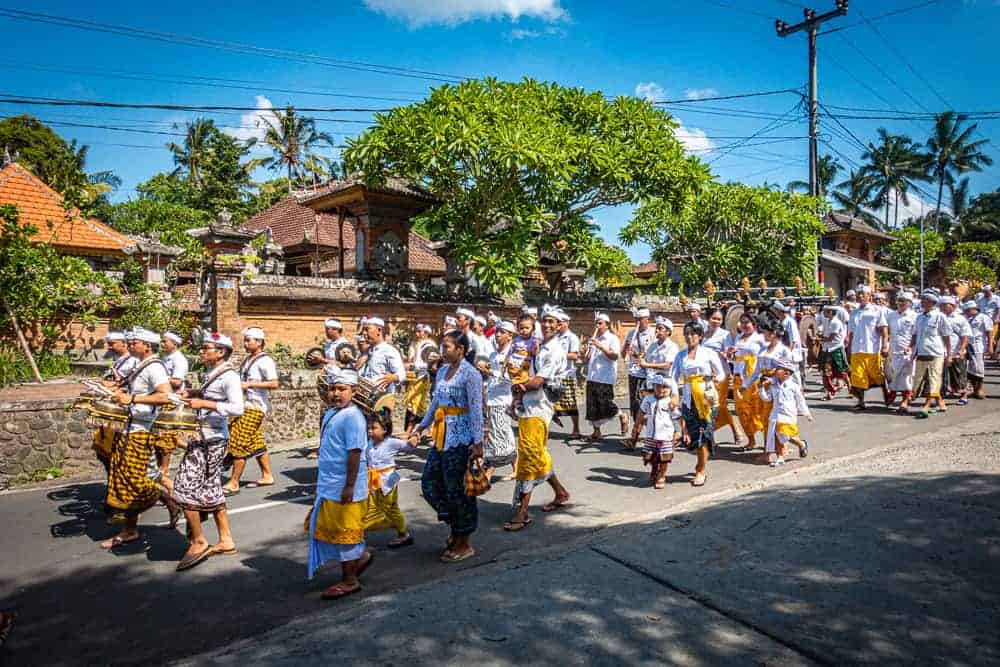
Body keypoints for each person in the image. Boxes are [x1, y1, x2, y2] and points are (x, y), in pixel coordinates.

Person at [101, 327, 180, 548]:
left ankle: (169, 502)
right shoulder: (140, 364)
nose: (130, 344)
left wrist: (132, 399)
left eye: (134, 342)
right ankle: (134, 526)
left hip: (139, 431)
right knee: (134, 476)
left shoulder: (154, 367)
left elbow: (165, 395)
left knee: (132, 480)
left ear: (147, 345)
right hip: (127, 428)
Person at [409, 331, 484, 563]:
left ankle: (464, 540)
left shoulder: (470, 375)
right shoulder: (441, 371)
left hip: (461, 437)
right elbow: (435, 403)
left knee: (457, 489)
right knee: (430, 483)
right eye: (442, 347)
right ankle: (454, 523)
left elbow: (476, 409)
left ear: (461, 349)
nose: (443, 351)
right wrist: (421, 426)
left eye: (447, 347)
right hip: (441, 435)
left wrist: (478, 442)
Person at [172, 332, 242, 571]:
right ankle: (225, 540)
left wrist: (204, 404)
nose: (202, 351)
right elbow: (212, 396)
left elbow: (237, 408)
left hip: (211, 440)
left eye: (207, 348)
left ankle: (199, 540)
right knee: (211, 487)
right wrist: (194, 394)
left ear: (221, 352)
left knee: (183, 487)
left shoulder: (229, 376)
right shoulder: (212, 373)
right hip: (206, 438)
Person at [305, 366, 374, 598]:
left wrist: (349, 486)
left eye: (342, 389)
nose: (336, 393)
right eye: (333, 389)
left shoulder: (353, 417)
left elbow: (355, 453)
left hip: (347, 484)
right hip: (329, 482)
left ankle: (350, 580)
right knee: (333, 529)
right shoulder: (331, 413)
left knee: (347, 533)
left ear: (353, 391)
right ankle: (361, 558)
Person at [506, 310, 571, 531]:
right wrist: (518, 397)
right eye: (544, 321)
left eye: (551, 322)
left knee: (528, 457)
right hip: (529, 406)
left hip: (539, 408)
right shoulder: (539, 346)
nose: (547, 325)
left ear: (559, 324)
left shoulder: (554, 350)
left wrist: (519, 387)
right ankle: (560, 492)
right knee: (537, 454)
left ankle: (523, 511)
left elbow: (538, 382)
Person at [224, 328, 278, 495]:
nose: (246, 343)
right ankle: (267, 475)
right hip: (243, 404)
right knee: (254, 442)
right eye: (245, 340)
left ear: (259, 342)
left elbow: (274, 383)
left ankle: (234, 482)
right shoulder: (248, 360)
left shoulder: (265, 361)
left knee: (238, 442)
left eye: (249, 340)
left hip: (255, 407)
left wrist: (250, 384)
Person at [673, 321, 726, 487]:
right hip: (689, 398)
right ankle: (701, 459)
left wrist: (716, 379)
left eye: (693, 334)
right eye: (687, 334)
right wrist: (674, 395)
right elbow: (673, 377)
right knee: (692, 436)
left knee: (703, 435)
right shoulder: (680, 356)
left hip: (706, 398)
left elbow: (722, 373)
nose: (689, 337)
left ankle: (700, 469)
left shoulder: (708, 353)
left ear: (700, 336)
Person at [363, 411, 415, 549]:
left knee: (385, 509)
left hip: (388, 482)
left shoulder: (391, 442)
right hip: (375, 481)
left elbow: (408, 447)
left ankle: (361, 533)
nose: (370, 431)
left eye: (374, 428)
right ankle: (403, 533)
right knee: (391, 508)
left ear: (385, 429)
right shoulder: (368, 444)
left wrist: (413, 440)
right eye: (369, 428)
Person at [93, 331, 137, 473]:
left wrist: (113, 386)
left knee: (115, 450)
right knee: (103, 450)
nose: (109, 347)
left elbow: (130, 386)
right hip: (113, 407)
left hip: (124, 410)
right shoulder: (119, 360)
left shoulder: (133, 362)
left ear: (124, 343)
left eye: (112, 344)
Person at [480, 321, 518, 479]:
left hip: (503, 399)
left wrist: (490, 373)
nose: (498, 335)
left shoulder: (512, 355)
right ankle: (517, 467)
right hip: (492, 398)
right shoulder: (493, 354)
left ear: (510, 336)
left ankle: (488, 472)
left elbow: (512, 379)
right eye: (497, 332)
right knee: (502, 434)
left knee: (497, 436)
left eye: (502, 332)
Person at [758, 358, 811, 467]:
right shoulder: (774, 385)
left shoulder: (793, 386)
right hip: (776, 414)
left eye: (779, 369)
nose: (776, 371)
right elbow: (767, 398)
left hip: (788, 414)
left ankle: (801, 444)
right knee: (777, 435)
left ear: (787, 373)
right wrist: (761, 389)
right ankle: (780, 457)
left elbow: (800, 400)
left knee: (786, 435)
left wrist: (806, 413)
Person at [634, 315, 677, 448]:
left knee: (665, 413)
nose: (657, 331)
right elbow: (645, 360)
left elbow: (668, 365)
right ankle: (634, 439)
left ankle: (674, 435)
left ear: (668, 332)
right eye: (657, 328)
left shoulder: (672, 347)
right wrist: (637, 356)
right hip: (651, 383)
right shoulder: (652, 345)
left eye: (661, 328)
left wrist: (647, 365)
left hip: (665, 385)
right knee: (644, 412)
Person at [846, 286, 889, 411]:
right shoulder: (854, 313)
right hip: (856, 350)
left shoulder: (877, 310)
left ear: (869, 296)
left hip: (872, 350)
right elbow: (851, 333)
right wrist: (849, 348)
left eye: (863, 294)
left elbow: (884, 329)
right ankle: (861, 401)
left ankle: (887, 395)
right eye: (858, 294)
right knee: (858, 377)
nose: (860, 296)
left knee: (877, 376)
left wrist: (885, 345)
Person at [727, 314, 767, 452]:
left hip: (753, 378)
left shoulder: (760, 338)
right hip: (738, 377)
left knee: (757, 410)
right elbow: (733, 358)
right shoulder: (738, 338)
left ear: (754, 324)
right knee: (742, 411)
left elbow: (768, 354)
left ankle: (769, 441)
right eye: (742, 322)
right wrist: (731, 354)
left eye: (747, 322)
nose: (744, 325)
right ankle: (751, 441)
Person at [585, 312, 627, 440]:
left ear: (607, 325)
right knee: (592, 406)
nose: (597, 326)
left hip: (605, 377)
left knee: (606, 404)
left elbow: (614, 356)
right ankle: (597, 431)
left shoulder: (612, 338)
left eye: (600, 323)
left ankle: (622, 415)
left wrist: (601, 347)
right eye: (596, 323)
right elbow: (588, 358)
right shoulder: (594, 338)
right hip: (592, 376)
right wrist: (586, 352)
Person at [702, 309, 741, 446]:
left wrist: (726, 355)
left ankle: (735, 429)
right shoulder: (702, 335)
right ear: (708, 319)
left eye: (719, 319)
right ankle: (710, 437)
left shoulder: (725, 335)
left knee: (720, 405)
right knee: (707, 406)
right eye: (714, 318)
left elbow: (730, 355)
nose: (716, 322)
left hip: (721, 374)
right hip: (706, 375)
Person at [911, 291, 952, 419]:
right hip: (921, 352)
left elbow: (946, 336)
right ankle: (941, 402)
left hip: (936, 353)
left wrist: (949, 354)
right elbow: (915, 334)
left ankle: (927, 406)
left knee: (933, 379)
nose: (922, 302)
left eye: (924, 300)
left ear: (932, 302)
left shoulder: (940, 317)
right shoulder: (919, 317)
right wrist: (910, 348)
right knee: (919, 379)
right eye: (922, 300)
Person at [635, 373, 680, 489]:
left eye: (665, 387)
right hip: (651, 435)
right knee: (651, 456)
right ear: (653, 386)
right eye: (658, 386)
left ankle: (662, 475)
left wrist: (680, 431)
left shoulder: (670, 402)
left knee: (664, 458)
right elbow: (641, 413)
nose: (661, 389)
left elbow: (678, 418)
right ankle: (654, 469)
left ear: (669, 388)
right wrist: (636, 426)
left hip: (665, 436)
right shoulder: (648, 399)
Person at [156, 331, 188, 479]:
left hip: (173, 399)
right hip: (163, 398)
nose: (163, 344)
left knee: (166, 435)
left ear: (174, 344)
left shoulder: (179, 360)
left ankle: (165, 468)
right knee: (168, 435)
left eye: (165, 342)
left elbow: (177, 381)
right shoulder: (164, 358)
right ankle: (195, 450)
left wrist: (159, 380)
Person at [360, 316, 406, 403]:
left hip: (381, 401)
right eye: (364, 330)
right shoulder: (366, 351)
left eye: (367, 329)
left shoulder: (389, 350)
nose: (364, 333)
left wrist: (393, 377)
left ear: (379, 330)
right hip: (364, 397)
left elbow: (402, 373)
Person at [885, 292, 918, 412]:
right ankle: (892, 393)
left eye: (904, 300)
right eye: (899, 300)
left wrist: (910, 346)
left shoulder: (914, 316)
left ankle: (904, 400)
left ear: (909, 303)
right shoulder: (891, 315)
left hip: (907, 351)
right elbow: (887, 332)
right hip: (893, 350)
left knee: (906, 376)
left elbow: (915, 334)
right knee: (893, 374)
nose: (901, 303)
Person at [553, 309, 582, 437]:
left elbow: (575, 355)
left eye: (560, 322)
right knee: (548, 400)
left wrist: (558, 355)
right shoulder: (554, 336)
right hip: (554, 374)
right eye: (557, 321)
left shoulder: (572, 337)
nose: (558, 324)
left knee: (570, 403)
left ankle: (576, 429)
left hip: (567, 374)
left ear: (567, 323)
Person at [623, 308, 653, 429]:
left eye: (640, 319)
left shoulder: (653, 334)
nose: (637, 322)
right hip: (633, 372)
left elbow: (651, 356)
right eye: (636, 319)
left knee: (642, 402)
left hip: (647, 374)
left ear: (647, 319)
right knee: (634, 404)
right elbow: (623, 354)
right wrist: (626, 347)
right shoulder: (631, 334)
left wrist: (636, 354)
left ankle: (646, 429)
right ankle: (637, 430)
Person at [404, 323, 436, 430]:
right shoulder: (415, 344)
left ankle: (410, 430)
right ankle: (424, 427)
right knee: (416, 404)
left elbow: (431, 364)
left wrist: (414, 365)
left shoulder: (429, 344)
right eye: (416, 331)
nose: (417, 334)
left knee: (414, 403)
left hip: (422, 377)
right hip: (413, 377)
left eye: (420, 331)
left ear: (426, 333)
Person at [940, 296, 972, 404]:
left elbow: (965, 336)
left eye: (945, 305)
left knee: (959, 374)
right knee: (942, 375)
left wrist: (962, 350)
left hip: (956, 350)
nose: (943, 307)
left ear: (953, 306)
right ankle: (942, 397)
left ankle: (964, 395)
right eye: (941, 305)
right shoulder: (939, 317)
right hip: (940, 350)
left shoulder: (960, 319)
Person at [818, 304, 850, 401]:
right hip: (826, 349)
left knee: (842, 371)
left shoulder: (836, 322)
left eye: (825, 311)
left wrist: (819, 338)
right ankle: (830, 392)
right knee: (826, 372)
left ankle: (850, 388)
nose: (823, 313)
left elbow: (831, 338)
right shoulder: (827, 321)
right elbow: (825, 334)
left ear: (831, 312)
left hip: (836, 349)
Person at [963, 301, 992, 399]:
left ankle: (979, 389)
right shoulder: (968, 318)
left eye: (967, 310)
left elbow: (989, 332)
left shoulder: (983, 317)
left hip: (978, 346)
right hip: (968, 345)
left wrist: (990, 346)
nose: (966, 312)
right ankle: (974, 389)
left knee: (979, 368)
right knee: (969, 369)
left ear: (973, 309)